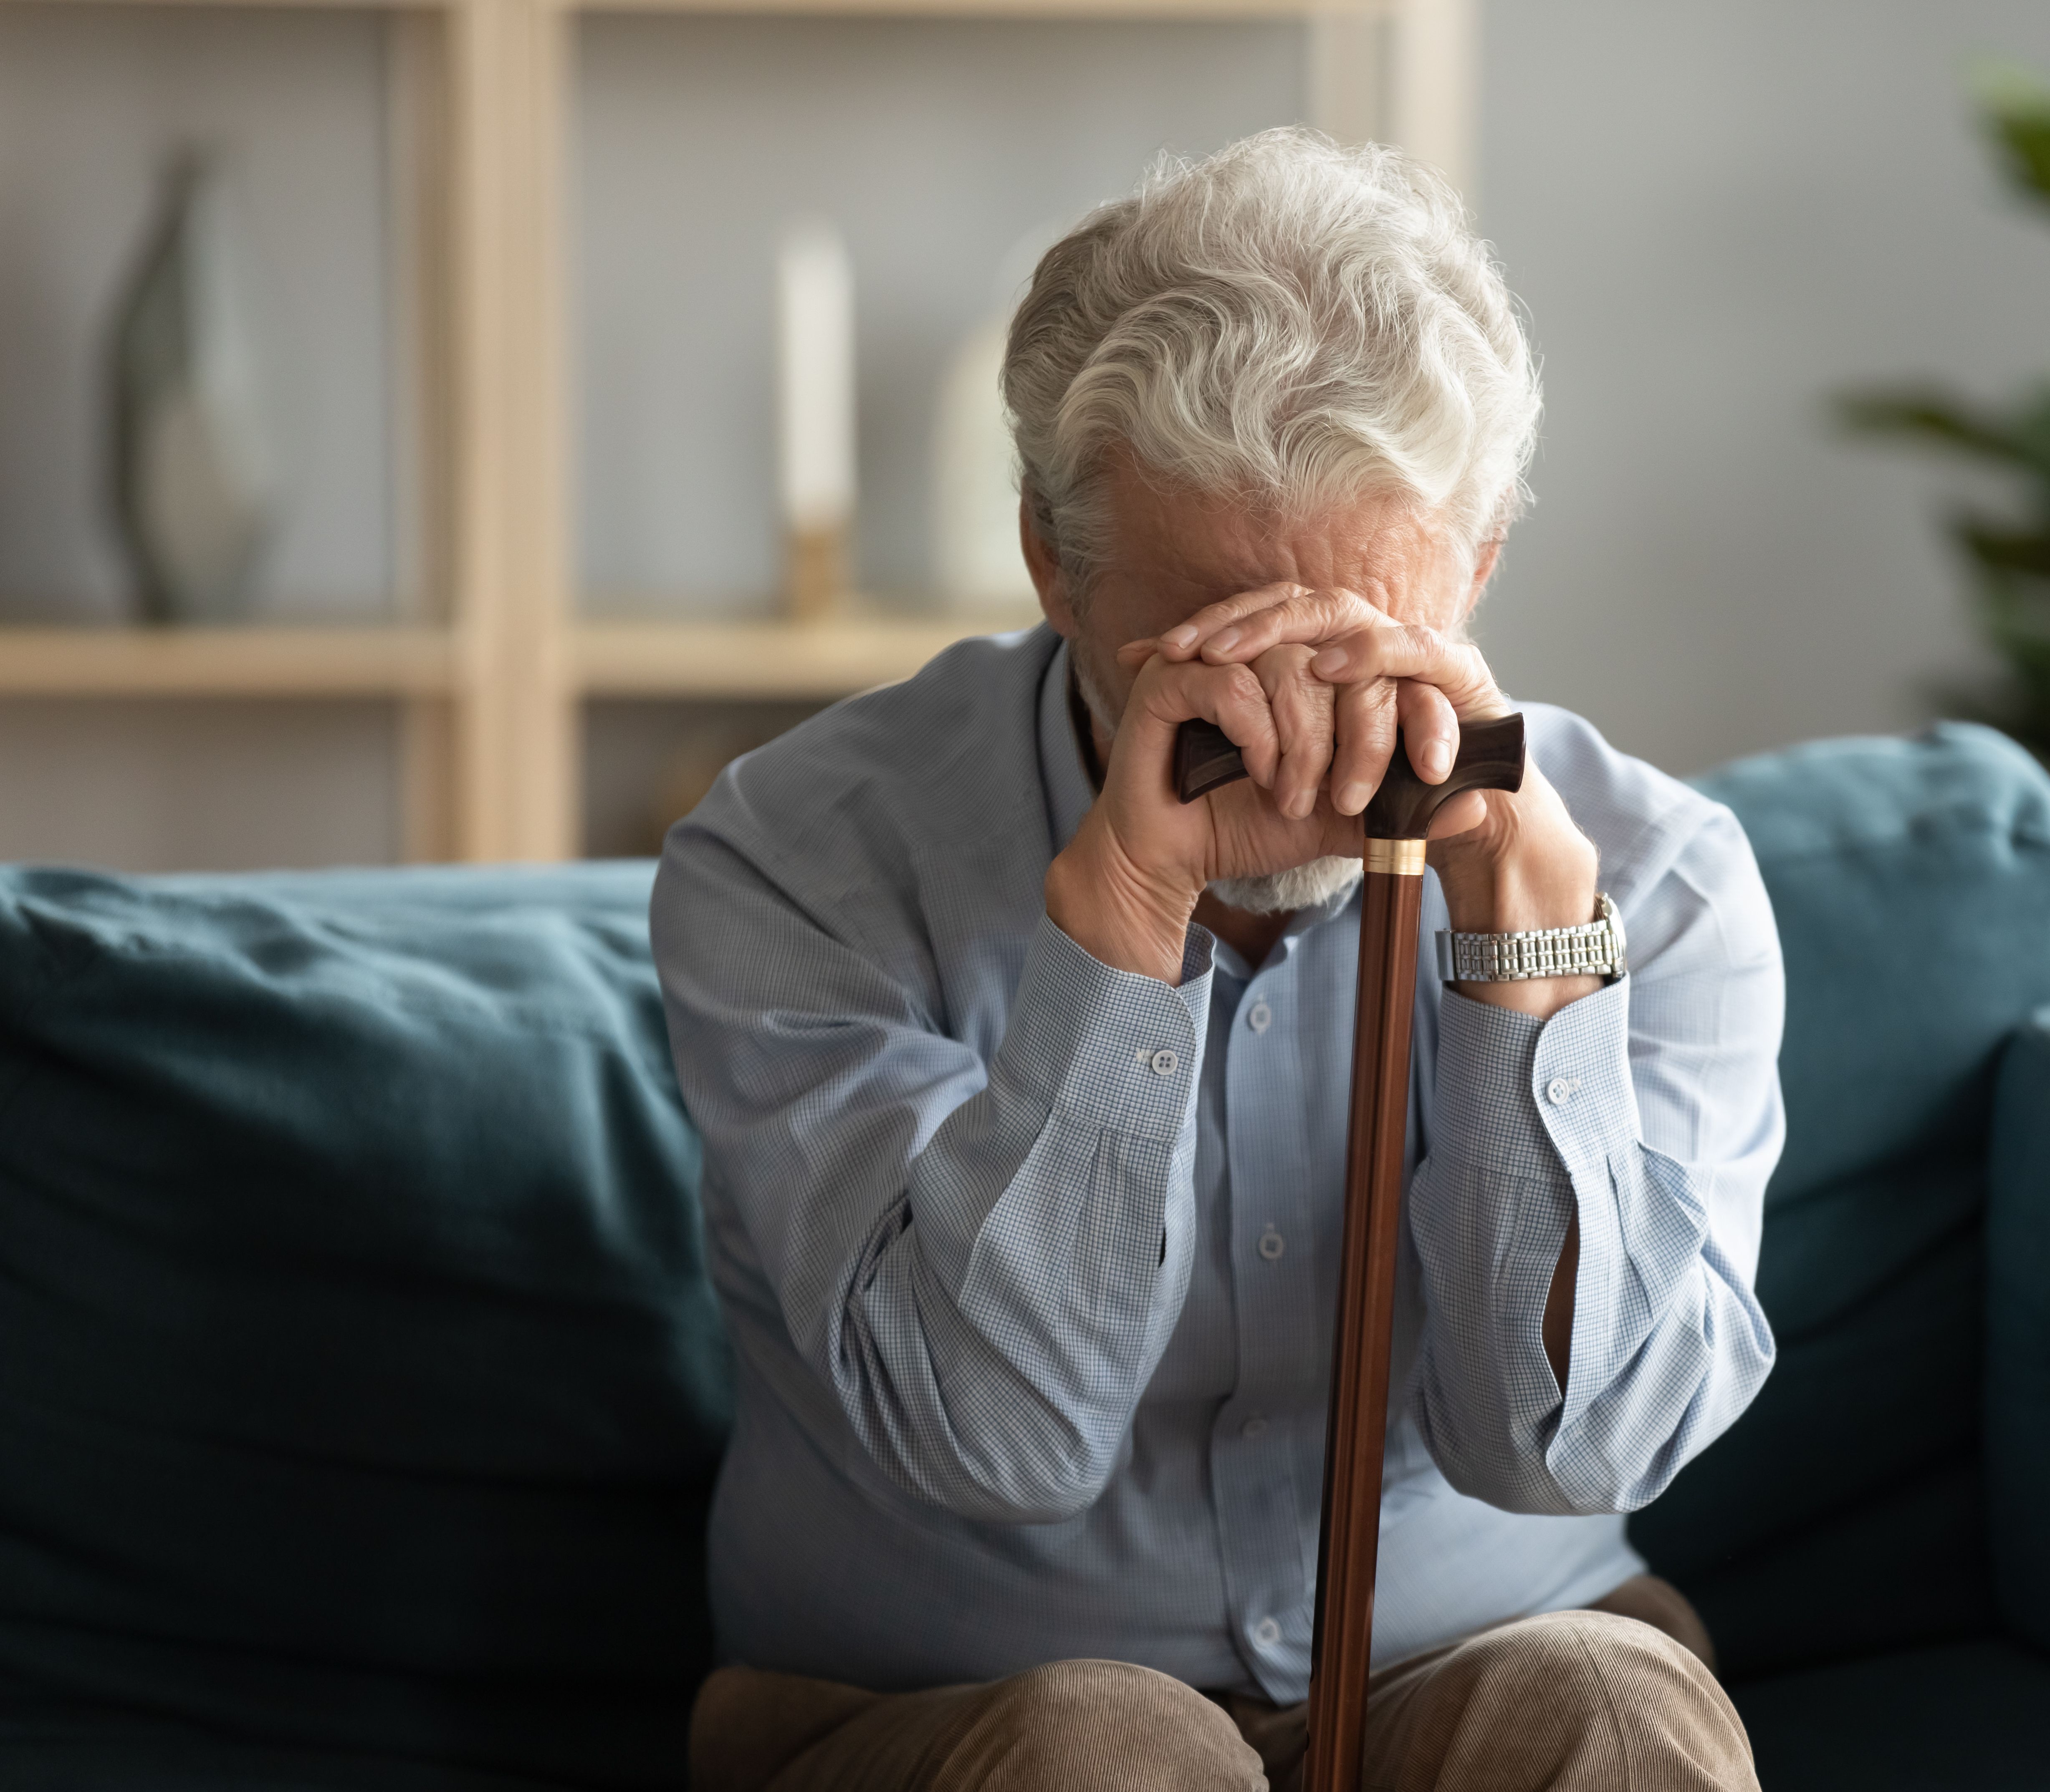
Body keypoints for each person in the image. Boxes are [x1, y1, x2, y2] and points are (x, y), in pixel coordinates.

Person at [652, 127, 1785, 1792]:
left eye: (1361, 640)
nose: (1298, 740)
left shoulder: (1662, 877)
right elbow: (996, 1439)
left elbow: (1579, 1453)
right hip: (955, 1705)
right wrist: (1119, 916)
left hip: (1480, 1655)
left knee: (1604, 1720)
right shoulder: (797, 864)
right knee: (1094, 1754)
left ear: (1472, 563)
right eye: (1210, 660)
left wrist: (1526, 952)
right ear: (1051, 559)